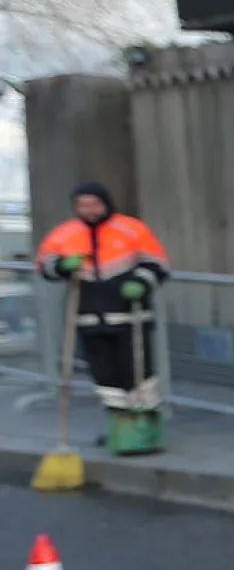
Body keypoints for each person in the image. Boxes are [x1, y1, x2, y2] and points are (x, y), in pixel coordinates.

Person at [36, 182, 170, 454]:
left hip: (130, 316)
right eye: (83, 205)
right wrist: (61, 266)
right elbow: (44, 265)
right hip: (88, 317)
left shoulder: (132, 228)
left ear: (105, 203)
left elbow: (158, 264)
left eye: (94, 203)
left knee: (139, 374)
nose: (89, 210)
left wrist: (141, 283)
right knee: (105, 377)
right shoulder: (64, 234)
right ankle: (120, 429)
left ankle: (147, 429)